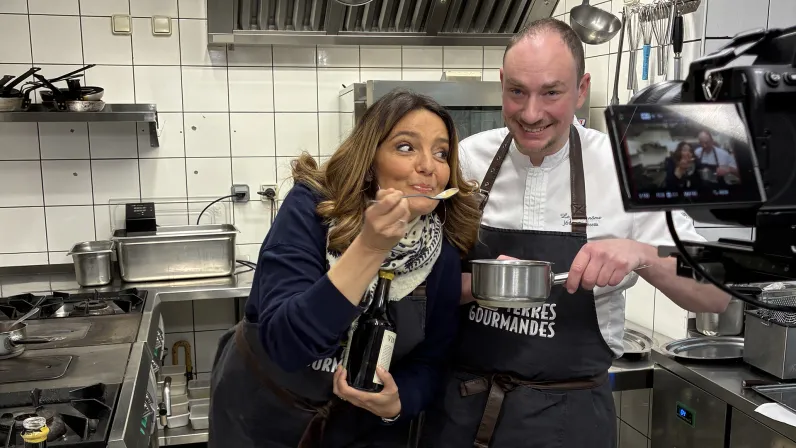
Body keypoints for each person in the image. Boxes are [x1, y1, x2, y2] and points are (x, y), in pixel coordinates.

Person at [419, 18, 731, 448]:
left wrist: (642, 253)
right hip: (461, 409)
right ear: (501, 84)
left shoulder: (632, 167)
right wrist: (482, 285)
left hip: (570, 421)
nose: (531, 114)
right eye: (517, 92)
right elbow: (415, 285)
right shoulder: (467, 160)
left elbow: (714, 294)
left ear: (581, 89)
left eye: (551, 92)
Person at [208, 89, 481, 447]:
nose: (429, 166)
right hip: (262, 417)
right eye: (405, 147)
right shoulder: (312, 210)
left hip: (360, 430)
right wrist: (370, 247)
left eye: (441, 152)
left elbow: (432, 361)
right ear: (370, 158)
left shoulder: (440, 249)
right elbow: (286, 344)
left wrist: (398, 402)